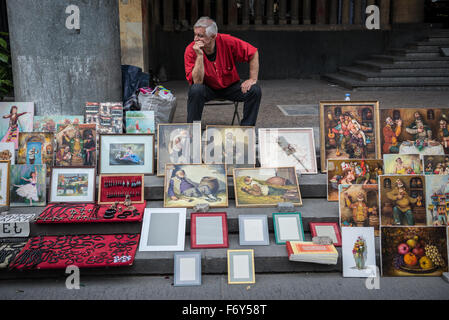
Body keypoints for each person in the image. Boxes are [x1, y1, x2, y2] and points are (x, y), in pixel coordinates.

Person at [184, 17, 261, 125]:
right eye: (195, 34)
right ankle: (193, 132)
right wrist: (199, 56)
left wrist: (252, 79)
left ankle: (246, 130)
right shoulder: (191, 50)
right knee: (195, 90)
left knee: (254, 90)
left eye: (200, 36)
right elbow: (197, 82)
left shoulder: (227, 41)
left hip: (230, 86)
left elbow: (253, 52)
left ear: (213, 36)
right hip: (207, 88)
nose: (195, 39)